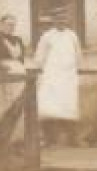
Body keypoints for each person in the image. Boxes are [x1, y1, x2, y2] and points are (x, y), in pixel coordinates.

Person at [32, 9, 83, 146]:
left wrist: (76, 71)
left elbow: (78, 55)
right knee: (50, 107)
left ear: (67, 20)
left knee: (69, 107)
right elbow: (39, 57)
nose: (61, 21)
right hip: (52, 77)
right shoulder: (47, 36)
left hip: (68, 78)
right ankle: (50, 139)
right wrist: (40, 74)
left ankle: (72, 139)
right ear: (53, 20)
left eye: (64, 19)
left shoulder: (72, 36)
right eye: (58, 19)